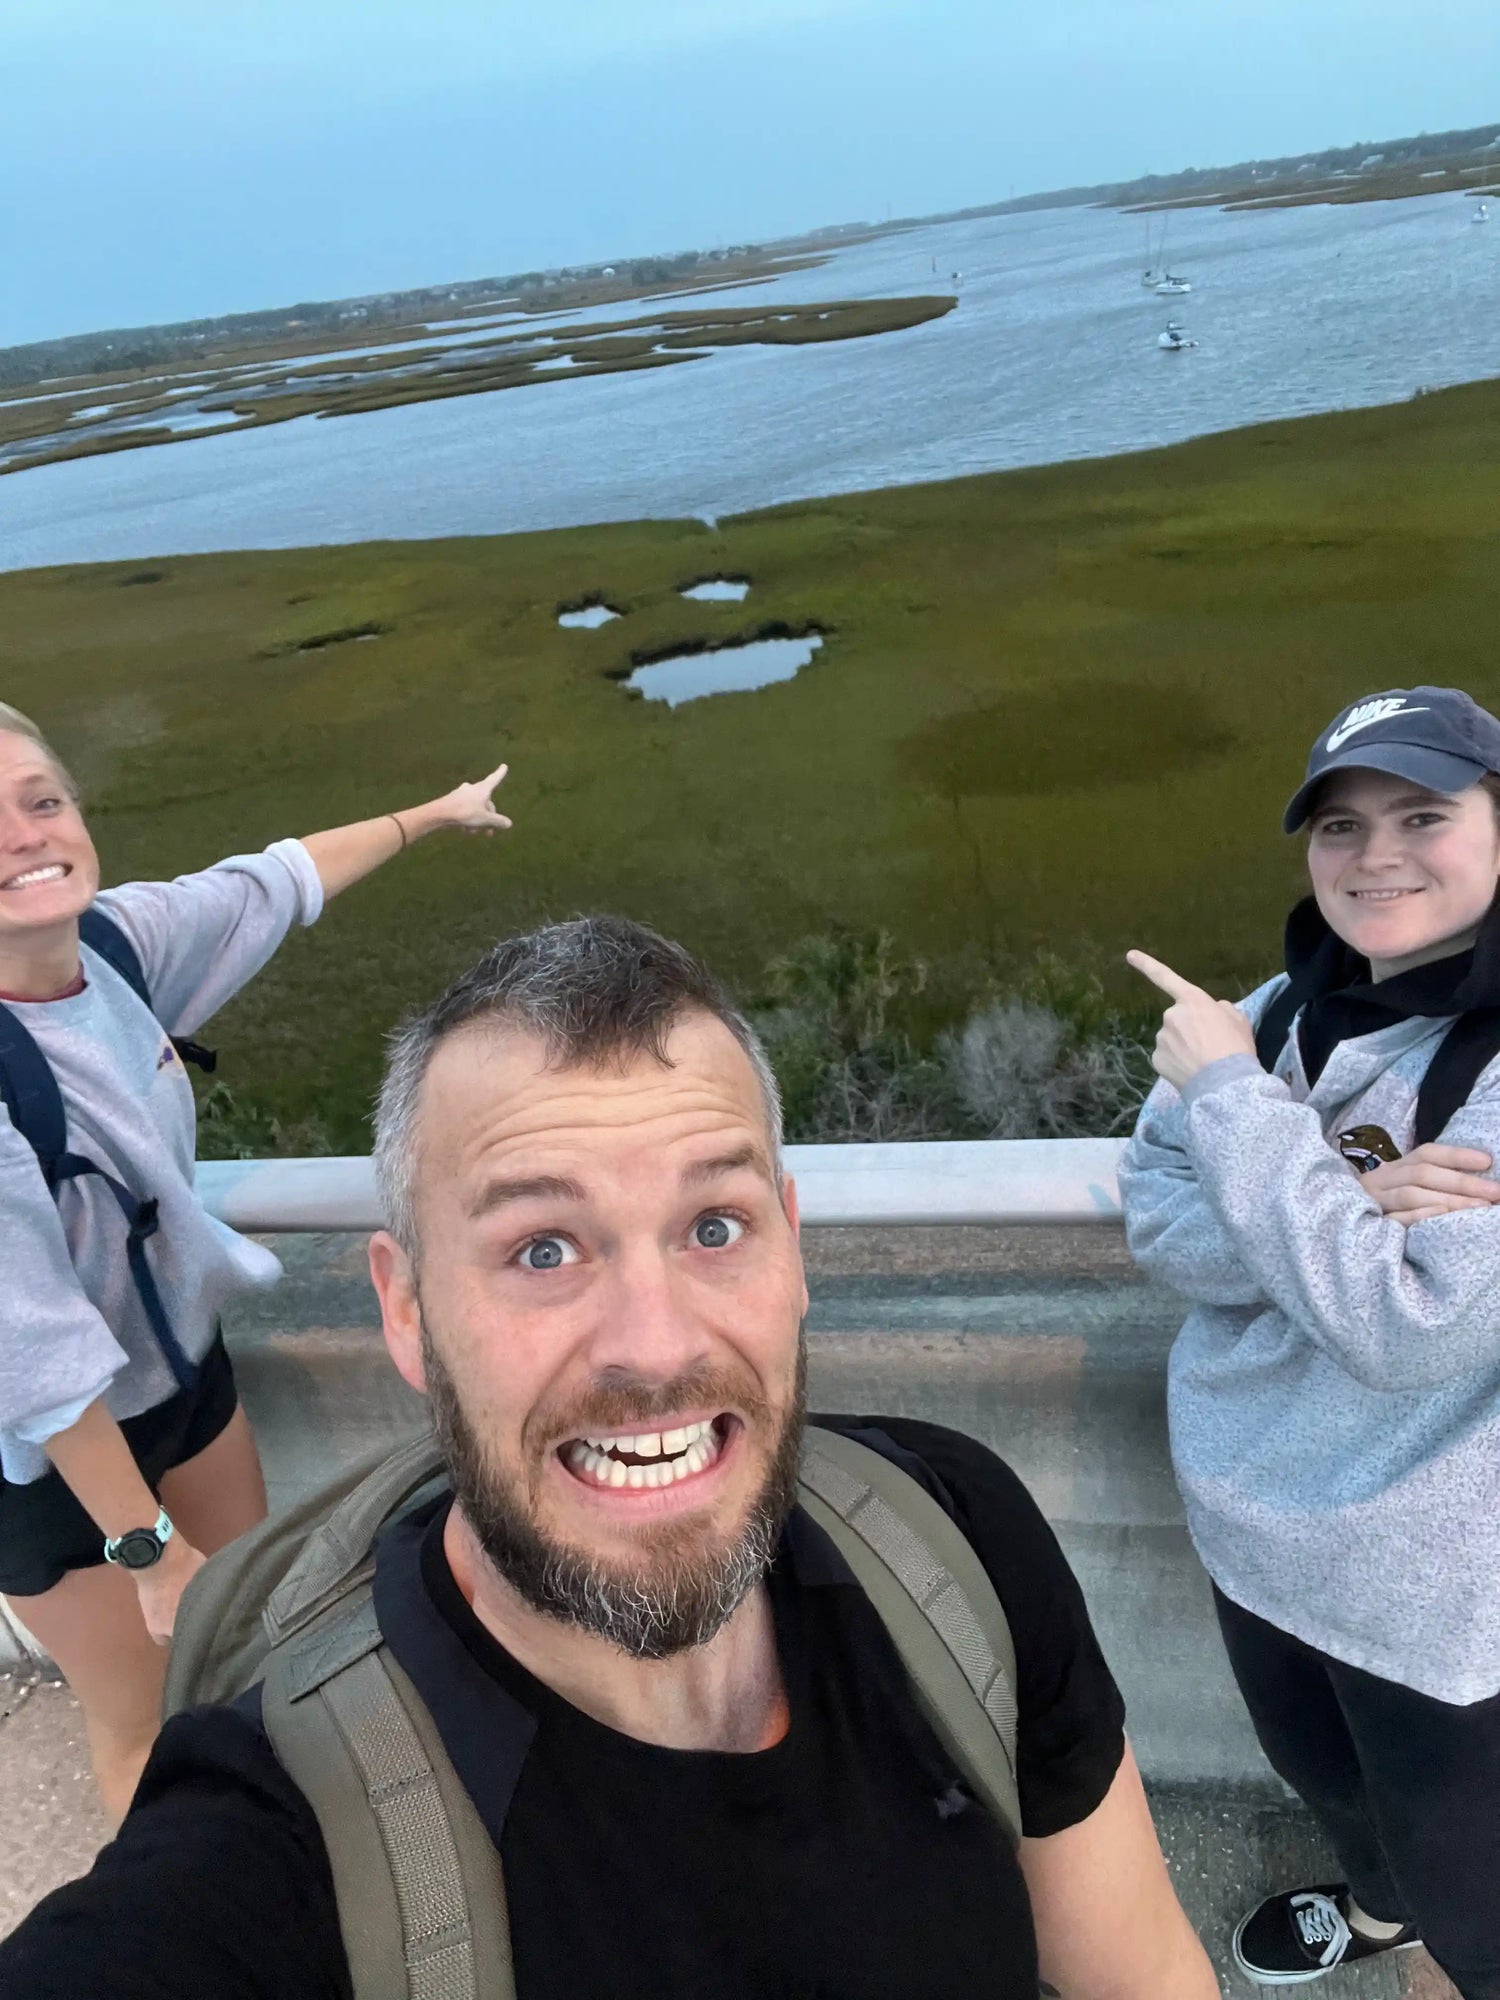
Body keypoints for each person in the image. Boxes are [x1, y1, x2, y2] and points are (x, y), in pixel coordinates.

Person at [0, 915, 1218, 1999]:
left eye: (714, 1224)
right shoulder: (278, 1836)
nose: (655, 1343)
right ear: (408, 1308)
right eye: (542, 1247)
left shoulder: (953, 1532)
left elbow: (1145, 1969)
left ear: (793, 1251)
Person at [0, 700, 512, 1823]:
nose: (25, 835)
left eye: (41, 801)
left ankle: (288, 1858)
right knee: (144, 1719)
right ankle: (173, 1922)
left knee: (260, 1642)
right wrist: (145, 1550)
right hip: (52, 1463)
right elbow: (32, 1360)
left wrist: (436, 813)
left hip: (185, 1375)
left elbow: (275, 879)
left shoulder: (113, 946)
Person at [1119, 686, 1500, 1996]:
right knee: (1330, 1782)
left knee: (1481, 1879)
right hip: (1254, 1534)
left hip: (1432, 1589)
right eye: (1341, 824)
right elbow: (1161, 1225)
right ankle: (1384, 1915)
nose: (1376, 854)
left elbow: (1412, 1326)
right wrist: (1342, 1211)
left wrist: (1234, 1105)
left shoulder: (1242, 1053)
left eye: (1424, 814)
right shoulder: (1281, 1006)